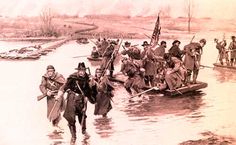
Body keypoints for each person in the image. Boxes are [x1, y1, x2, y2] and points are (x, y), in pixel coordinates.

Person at [56, 62, 97, 144]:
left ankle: (84, 131)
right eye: (80, 70)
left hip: (82, 100)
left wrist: (92, 85)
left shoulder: (88, 79)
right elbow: (65, 86)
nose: (82, 72)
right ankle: (73, 136)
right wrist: (59, 94)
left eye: (83, 70)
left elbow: (90, 91)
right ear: (78, 71)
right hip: (72, 98)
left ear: (85, 71)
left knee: (82, 116)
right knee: (71, 117)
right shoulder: (72, 77)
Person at [39, 65, 66, 133]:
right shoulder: (45, 77)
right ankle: (54, 126)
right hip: (50, 97)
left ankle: (56, 125)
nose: (50, 73)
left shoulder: (59, 76)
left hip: (58, 95)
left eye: (51, 71)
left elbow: (65, 84)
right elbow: (42, 86)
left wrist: (60, 91)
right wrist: (46, 92)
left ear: (54, 71)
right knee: (52, 112)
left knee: (57, 110)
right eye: (48, 71)